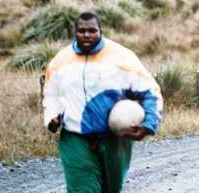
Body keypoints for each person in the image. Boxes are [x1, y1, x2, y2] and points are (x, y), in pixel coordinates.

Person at [43, 12, 163, 193]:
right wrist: (51, 117)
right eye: (81, 31)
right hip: (75, 139)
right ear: (75, 32)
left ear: (100, 31)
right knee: (81, 190)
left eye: (92, 30)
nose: (86, 35)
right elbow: (51, 96)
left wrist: (148, 125)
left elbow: (150, 91)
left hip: (115, 140)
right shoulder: (60, 61)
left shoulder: (122, 57)